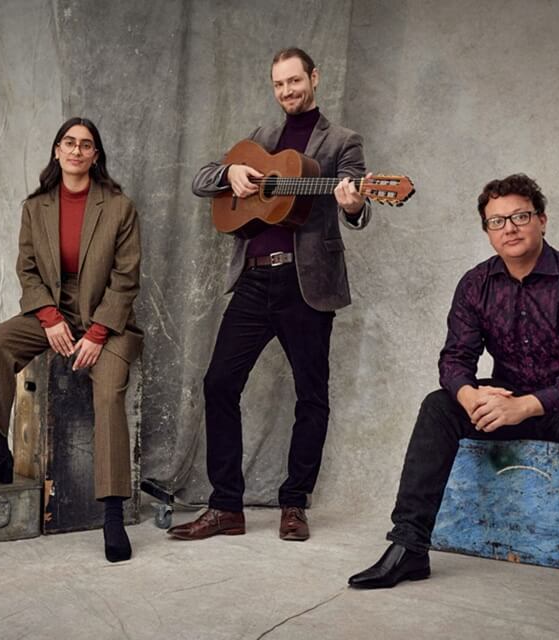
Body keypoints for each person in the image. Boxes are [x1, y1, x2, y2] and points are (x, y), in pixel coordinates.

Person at [348, 174, 559, 638]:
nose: (510, 228)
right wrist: (470, 394)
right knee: (440, 405)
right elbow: (454, 359)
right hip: (508, 398)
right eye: (497, 221)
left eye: (520, 216)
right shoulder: (476, 283)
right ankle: (409, 548)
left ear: (541, 220)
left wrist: (530, 406)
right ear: (487, 231)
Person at [170, 47, 372, 542]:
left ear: (314, 78)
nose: (287, 91)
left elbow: (358, 210)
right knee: (219, 384)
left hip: (307, 287)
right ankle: (226, 508)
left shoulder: (342, 140)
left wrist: (353, 204)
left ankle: (295, 503)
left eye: (295, 81)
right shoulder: (260, 139)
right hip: (255, 280)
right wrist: (229, 174)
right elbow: (203, 182)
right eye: (279, 84)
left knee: (312, 396)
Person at [0, 117, 143, 563]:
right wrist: (48, 317)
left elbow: (126, 277)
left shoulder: (118, 206)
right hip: (53, 311)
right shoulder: (36, 206)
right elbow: (28, 270)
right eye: (69, 143)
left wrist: (98, 332)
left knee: (108, 397)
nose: (77, 151)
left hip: (109, 319)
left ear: (95, 155)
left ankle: (113, 513)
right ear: (57, 151)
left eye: (86, 145)